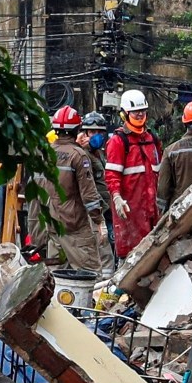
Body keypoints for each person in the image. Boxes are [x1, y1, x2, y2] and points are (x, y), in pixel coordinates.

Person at [31, 105, 106, 272]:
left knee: (57, 278)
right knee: (91, 274)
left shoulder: (45, 154)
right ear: (77, 130)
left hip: (52, 227)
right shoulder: (78, 156)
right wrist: (99, 221)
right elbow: (90, 195)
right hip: (74, 227)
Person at [104, 89, 163, 260]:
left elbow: (160, 172)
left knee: (153, 254)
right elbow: (112, 174)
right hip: (130, 210)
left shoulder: (152, 139)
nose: (139, 115)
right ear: (124, 114)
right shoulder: (118, 141)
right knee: (131, 257)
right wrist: (116, 197)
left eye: (142, 111)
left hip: (152, 210)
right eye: (135, 112)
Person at [78, 112, 116, 277]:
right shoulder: (82, 156)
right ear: (84, 133)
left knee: (111, 247)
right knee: (103, 250)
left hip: (108, 210)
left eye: (99, 132)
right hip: (94, 213)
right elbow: (88, 187)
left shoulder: (100, 154)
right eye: (91, 132)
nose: (95, 136)